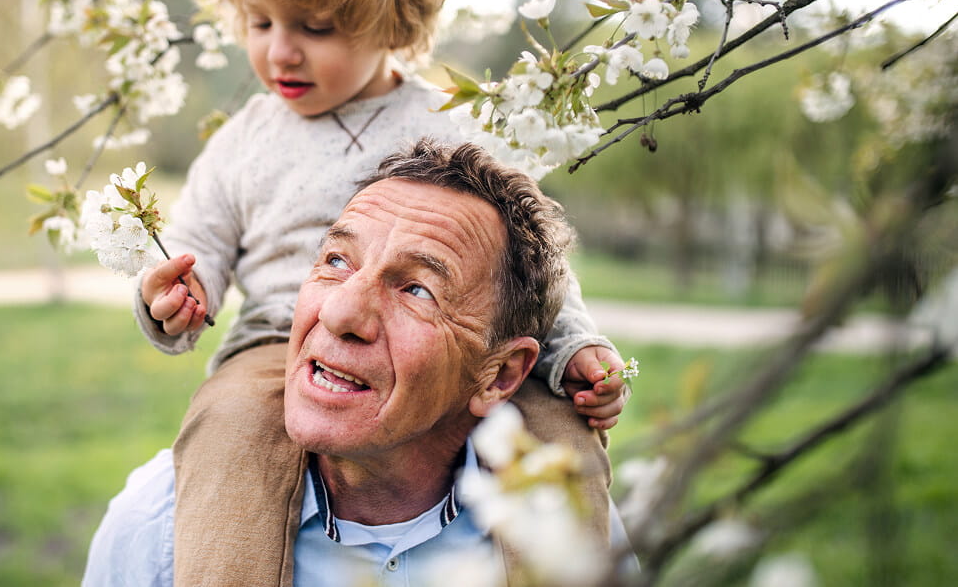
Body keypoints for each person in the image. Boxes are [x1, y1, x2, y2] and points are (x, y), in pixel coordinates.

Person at [133, 0, 630, 583]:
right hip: (277, 344)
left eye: (314, 29)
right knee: (230, 430)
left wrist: (575, 346)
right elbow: (193, 243)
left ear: (392, 24)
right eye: (260, 23)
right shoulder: (244, 141)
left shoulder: (457, 122)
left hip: (446, 344)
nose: (280, 52)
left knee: (562, 433)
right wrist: (176, 293)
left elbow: (529, 267)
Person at [88, 140, 616, 585]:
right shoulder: (159, 525)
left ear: (500, 375)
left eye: (418, 290)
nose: (340, 312)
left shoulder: (570, 532)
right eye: (336, 261)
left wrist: (577, 348)